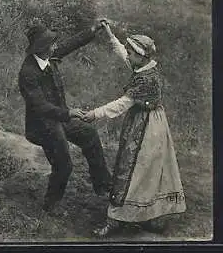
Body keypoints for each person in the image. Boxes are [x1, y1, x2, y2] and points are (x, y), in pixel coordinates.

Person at [83, 20, 186, 236]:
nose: (128, 56)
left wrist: (94, 114)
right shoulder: (144, 65)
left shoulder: (146, 79)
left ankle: (117, 219)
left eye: (132, 53)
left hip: (148, 128)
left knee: (133, 169)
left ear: (141, 56)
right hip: (148, 122)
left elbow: (122, 104)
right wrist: (110, 34)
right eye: (129, 53)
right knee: (143, 171)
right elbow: (122, 53)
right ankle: (139, 215)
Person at [17, 23, 112, 216]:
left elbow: (70, 45)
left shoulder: (48, 56)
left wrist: (92, 30)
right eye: (51, 44)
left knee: (89, 134)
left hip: (59, 119)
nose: (55, 46)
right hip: (43, 127)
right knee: (64, 165)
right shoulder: (28, 73)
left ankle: (103, 186)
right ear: (41, 48)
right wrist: (69, 113)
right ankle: (51, 205)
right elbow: (40, 107)